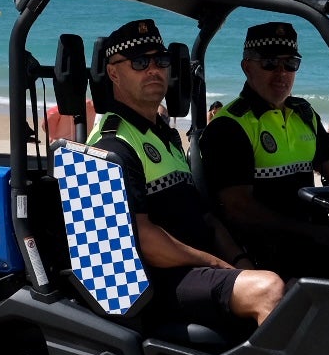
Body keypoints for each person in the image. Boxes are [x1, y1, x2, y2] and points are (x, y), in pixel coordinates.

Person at [93, 18, 284, 330]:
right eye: (140, 62)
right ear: (113, 72)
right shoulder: (114, 144)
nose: (153, 70)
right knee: (268, 290)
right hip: (158, 279)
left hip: (193, 268)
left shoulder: (164, 136)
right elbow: (145, 239)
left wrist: (238, 262)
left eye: (161, 60)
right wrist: (217, 265)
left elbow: (204, 216)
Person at [200, 21, 329, 283]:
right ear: (247, 67)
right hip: (263, 252)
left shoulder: (305, 114)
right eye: (269, 63)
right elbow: (238, 208)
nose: (281, 73)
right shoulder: (231, 125)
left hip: (308, 239)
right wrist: (312, 232)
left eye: (290, 64)